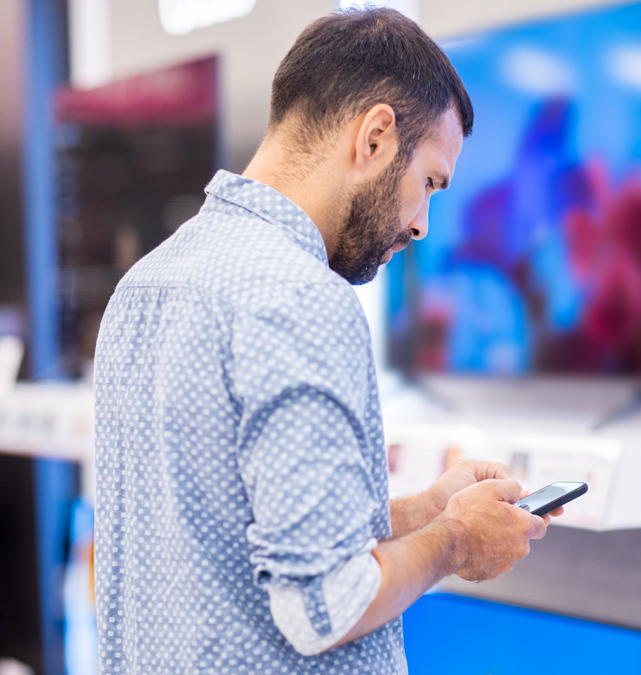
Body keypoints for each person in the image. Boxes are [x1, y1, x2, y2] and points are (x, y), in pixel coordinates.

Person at [93, 7, 558, 675]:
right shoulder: (303, 298)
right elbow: (327, 604)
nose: (423, 224)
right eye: (428, 181)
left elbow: (245, 541)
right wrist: (456, 541)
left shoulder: (146, 285)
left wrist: (429, 509)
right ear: (374, 137)